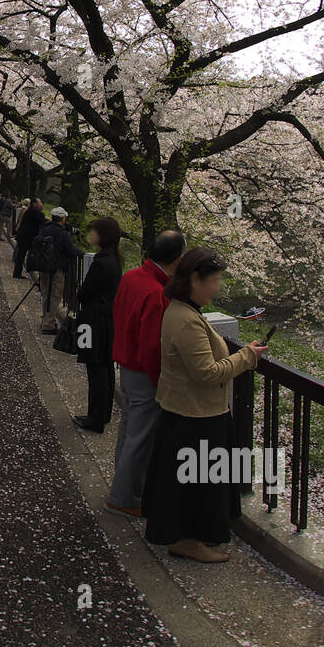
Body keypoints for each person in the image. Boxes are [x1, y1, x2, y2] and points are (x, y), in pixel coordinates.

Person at [143, 248, 269, 564]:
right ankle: (189, 541)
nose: (216, 288)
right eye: (213, 281)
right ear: (195, 280)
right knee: (198, 483)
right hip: (196, 415)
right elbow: (207, 374)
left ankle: (189, 538)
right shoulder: (186, 320)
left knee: (193, 481)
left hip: (188, 411)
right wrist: (247, 357)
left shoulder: (183, 310)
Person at [107, 230, 186, 518]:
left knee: (129, 431)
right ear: (177, 259)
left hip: (126, 365)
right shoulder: (156, 292)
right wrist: (161, 383)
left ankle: (124, 487)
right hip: (143, 373)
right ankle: (124, 497)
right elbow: (152, 347)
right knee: (140, 438)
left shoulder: (131, 278)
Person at [68, 218, 126, 433]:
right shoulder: (115, 260)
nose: (91, 235)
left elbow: (85, 293)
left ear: (103, 236)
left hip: (92, 323)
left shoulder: (101, 263)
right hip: (107, 322)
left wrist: (80, 292)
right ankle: (103, 414)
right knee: (105, 370)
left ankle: (95, 418)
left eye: (94, 232)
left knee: (95, 369)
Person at [31, 206, 76, 332]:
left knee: (45, 294)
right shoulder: (63, 234)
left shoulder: (44, 230)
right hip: (56, 270)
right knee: (55, 296)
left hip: (43, 268)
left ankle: (46, 319)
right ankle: (49, 324)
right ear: (62, 218)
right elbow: (71, 251)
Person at [13, 197, 45, 279]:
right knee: (21, 255)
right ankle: (18, 273)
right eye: (39, 202)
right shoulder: (33, 211)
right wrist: (41, 210)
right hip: (25, 237)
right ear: (34, 203)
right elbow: (41, 218)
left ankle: (17, 272)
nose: (41, 204)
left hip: (23, 236)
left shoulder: (31, 210)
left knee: (21, 254)